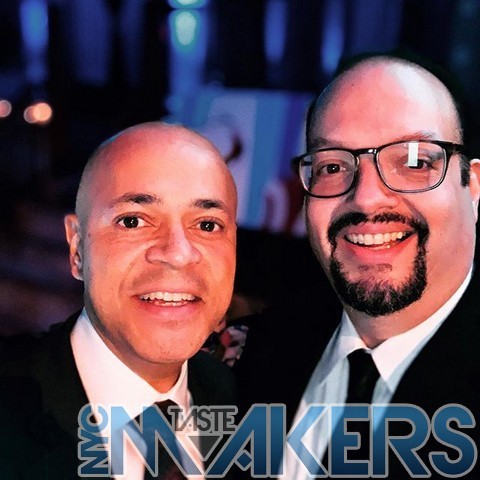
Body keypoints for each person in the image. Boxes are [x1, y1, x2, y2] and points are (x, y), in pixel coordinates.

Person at [236, 56, 480, 479]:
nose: (366, 199)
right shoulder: (252, 352)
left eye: (415, 162)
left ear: (473, 186)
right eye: (333, 166)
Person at [0, 122, 238, 479]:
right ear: (77, 247)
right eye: (133, 221)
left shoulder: (249, 399)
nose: (178, 253)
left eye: (207, 225)